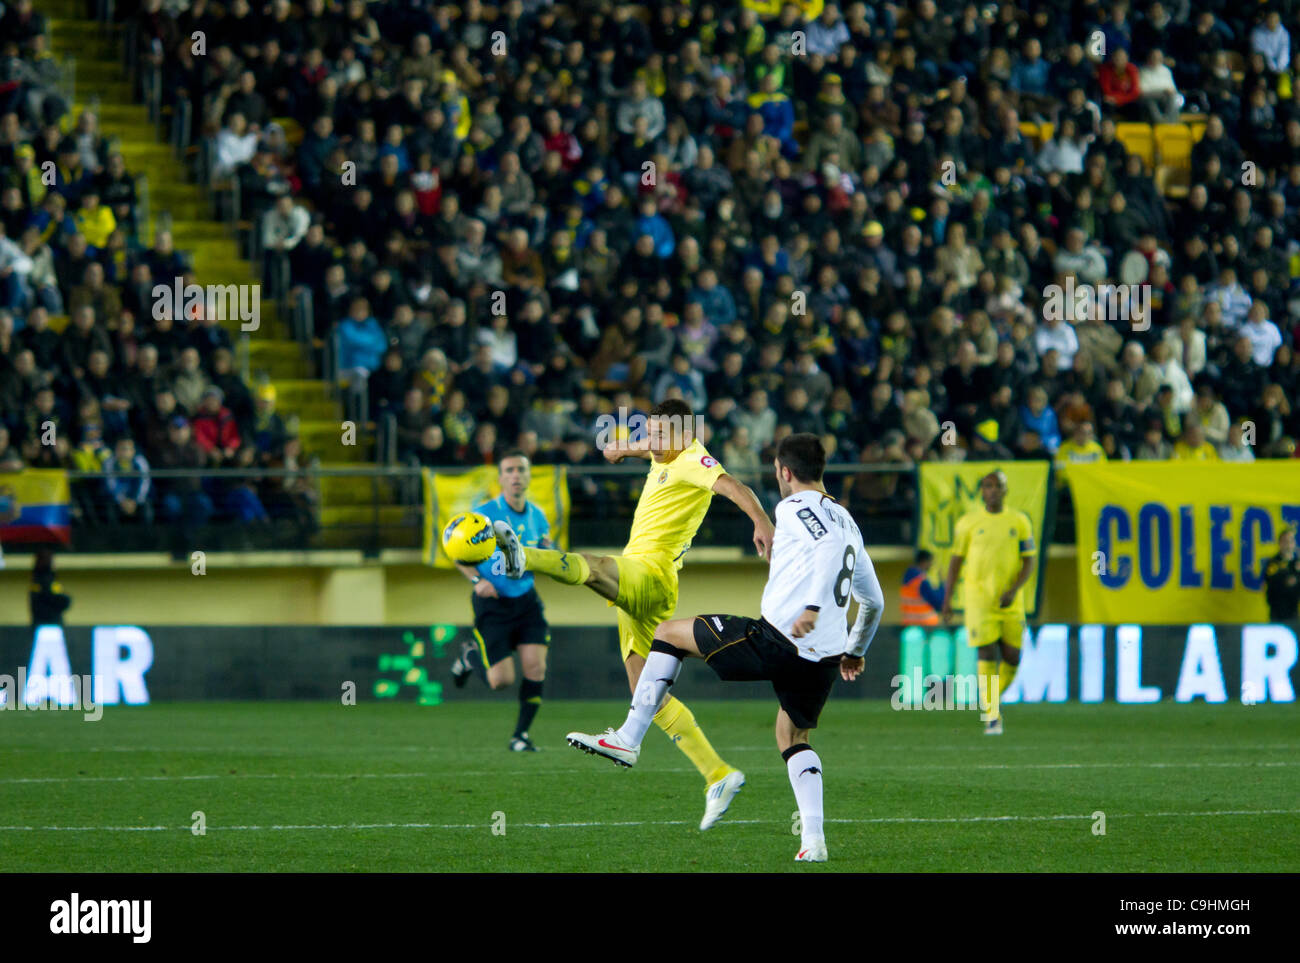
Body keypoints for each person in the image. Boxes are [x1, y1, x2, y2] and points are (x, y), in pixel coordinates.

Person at [564, 433, 884, 862]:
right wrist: (856, 650)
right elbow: (874, 600)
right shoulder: (848, 522)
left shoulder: (793, 506)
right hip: (824, 656)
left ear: (784, 472)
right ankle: (814, 841)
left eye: (777, 471)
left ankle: (628, 737)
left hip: (777, 640)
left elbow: (824, 552)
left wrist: (810, 605)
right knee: (792, 736)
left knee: (668, 633)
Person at [492, 399, 775, 829]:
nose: (654, 441)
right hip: (646, 577)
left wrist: (761, 521)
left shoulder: (695, 459)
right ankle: (717, 773)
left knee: (594, 567)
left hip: (651, 573)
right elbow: (646, 444)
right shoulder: (663, 449)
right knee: (647, 692)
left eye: (662, 435)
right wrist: (624, 446)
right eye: (651, 433)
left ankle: (522, 557)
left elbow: (735, 487)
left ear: (685, 433)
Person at [448, 451, 555, 752]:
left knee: (536, 668)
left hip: (526, 601)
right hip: (493, 605)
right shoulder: (483, 514)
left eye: (521, 469)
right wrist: (476, 581)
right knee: (501, 681)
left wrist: (548, 553)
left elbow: (545, 551)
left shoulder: (538, 516)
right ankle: (470, 657)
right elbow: (458, 553)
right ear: (500, 478)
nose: (516, 475)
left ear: (529, 475)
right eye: (509, 470)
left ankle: (520, 735)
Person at [940, 470, 1036, 735]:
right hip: (978, 600)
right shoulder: (968, 523)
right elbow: (955, 562)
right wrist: (947, 600)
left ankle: (989, 698)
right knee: (986, 653)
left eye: (997, 486)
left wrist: (1014, 589)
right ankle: (992, 715)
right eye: (987, 486)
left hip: (1010, 600)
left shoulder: (1019, 521)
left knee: (1012, 657)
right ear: (982, 491)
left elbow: (1029, 560)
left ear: (1005, 490)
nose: (992, 490)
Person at [1263, 526, 1300, 623]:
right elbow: (1274, 582)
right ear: (1280, 544)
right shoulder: (1273, 563)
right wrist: (1291, 577)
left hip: (1293, 612)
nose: (1288, 544)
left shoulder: (1297, 563)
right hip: (1277, 613)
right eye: (1285, 541)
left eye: (1290, 541)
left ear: (1294, 544)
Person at [900, 548, 944, 626]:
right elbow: (938, 603)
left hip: (910, 625)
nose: (931, 565)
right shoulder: (921, 582)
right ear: (924, 561)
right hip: (926, 625)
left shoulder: (906, 580)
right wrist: (941, 584)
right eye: (930, 562)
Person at [30, 546, 71, 626]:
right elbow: (52, 597)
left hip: (41, 622)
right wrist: (65, 599)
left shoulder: (37, 579)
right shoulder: (45, 579)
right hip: (49, 623)